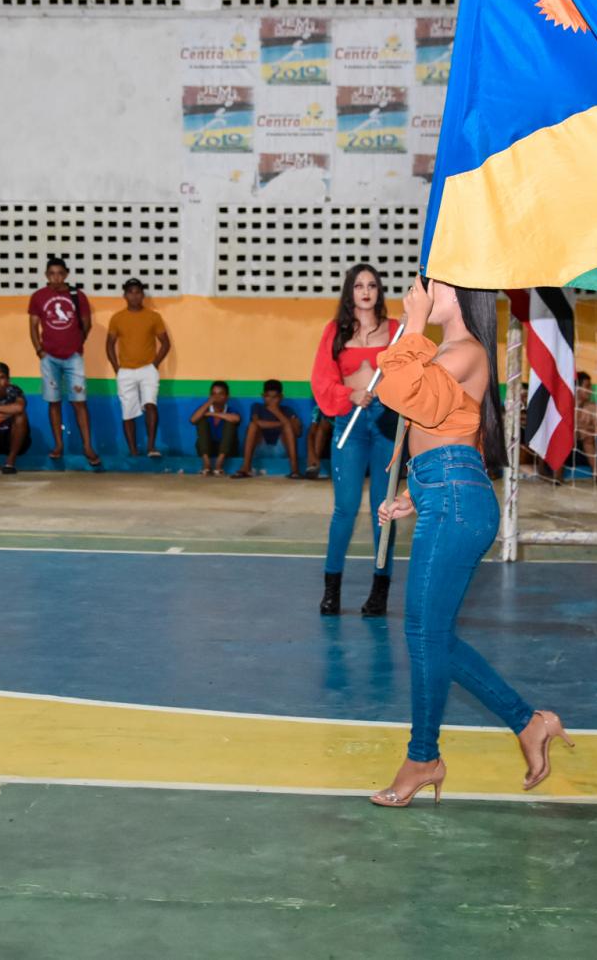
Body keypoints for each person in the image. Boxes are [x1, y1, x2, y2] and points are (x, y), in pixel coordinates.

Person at [370, 275, 570, 808]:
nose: (419, 288)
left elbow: (400, 391)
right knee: (428, 636)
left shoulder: (467, 352)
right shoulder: (454, 353)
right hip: (447, 492)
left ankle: (424, 757)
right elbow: (448, 429)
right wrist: (416, 491)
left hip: (457, 501)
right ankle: (527, 724)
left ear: (460, 293)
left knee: (424, 635)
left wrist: (411, 324)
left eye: (429, 282)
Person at [311, 263, 399, 616]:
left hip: (386, 424)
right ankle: (331, 591)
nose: (366, 291)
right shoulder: (334, 332)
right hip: (349, 423)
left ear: (379, 292)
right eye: (359, 286)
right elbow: (321, 380)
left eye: (372, 285)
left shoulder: (396, 332)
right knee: (344, 510)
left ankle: (380, 591)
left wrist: (386, 391)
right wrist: (349, 395)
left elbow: (413, 373)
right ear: (350, 293)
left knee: (384, 511)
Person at [29, 257, 100, 468]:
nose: (56, 278)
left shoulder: (77, 296)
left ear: (67, 274)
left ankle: (87, 446)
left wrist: (77, 344)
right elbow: (33, 326)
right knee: (54, 402)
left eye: (60, 273)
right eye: (52, 274)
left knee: (80, 402)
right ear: (46, 275)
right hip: (48, 357)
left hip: (73, 357)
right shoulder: (38, 297)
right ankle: (58, 445)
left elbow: (87, 325)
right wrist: (39, 350)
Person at [106, 278, 170, 458]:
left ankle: (151, 447)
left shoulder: (153, 317)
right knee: (128, 412)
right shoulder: (117, 318)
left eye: (138, 292)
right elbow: (109, 344)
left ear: (143, 295)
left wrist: (155, 364)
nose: (134, 296)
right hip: (125, 371)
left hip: (148, 370)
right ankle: (133, 451)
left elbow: (165, 343)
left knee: (151, 405)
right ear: (124, 295)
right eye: (130, 292)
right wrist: (116, 367)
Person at [232, 379, 304, 479]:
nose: (271, 400)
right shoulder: (257, 407)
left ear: (281, 397)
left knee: (287, 428)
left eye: (275, 397)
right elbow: (256, 422)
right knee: (253, 426)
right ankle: (245, 467)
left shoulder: (287, 410)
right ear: (263, 396)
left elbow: (298, 432)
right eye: (268, 396)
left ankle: (295, 470)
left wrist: (276, 412)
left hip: (280, 448)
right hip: (260, 447)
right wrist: (283, 423)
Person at [190, 380, 241, 476]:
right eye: (214, 394)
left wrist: (211, 414)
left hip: (228, 450)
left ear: (227, 397)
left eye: (220, 394)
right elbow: (193, 420)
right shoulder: (205, 408)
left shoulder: (230, 410)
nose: (216, 397)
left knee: (230, 422)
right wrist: (208, 403)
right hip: (208, 449)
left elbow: (236, 418)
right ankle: (206, 464)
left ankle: (219, 464)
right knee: (201, 420)